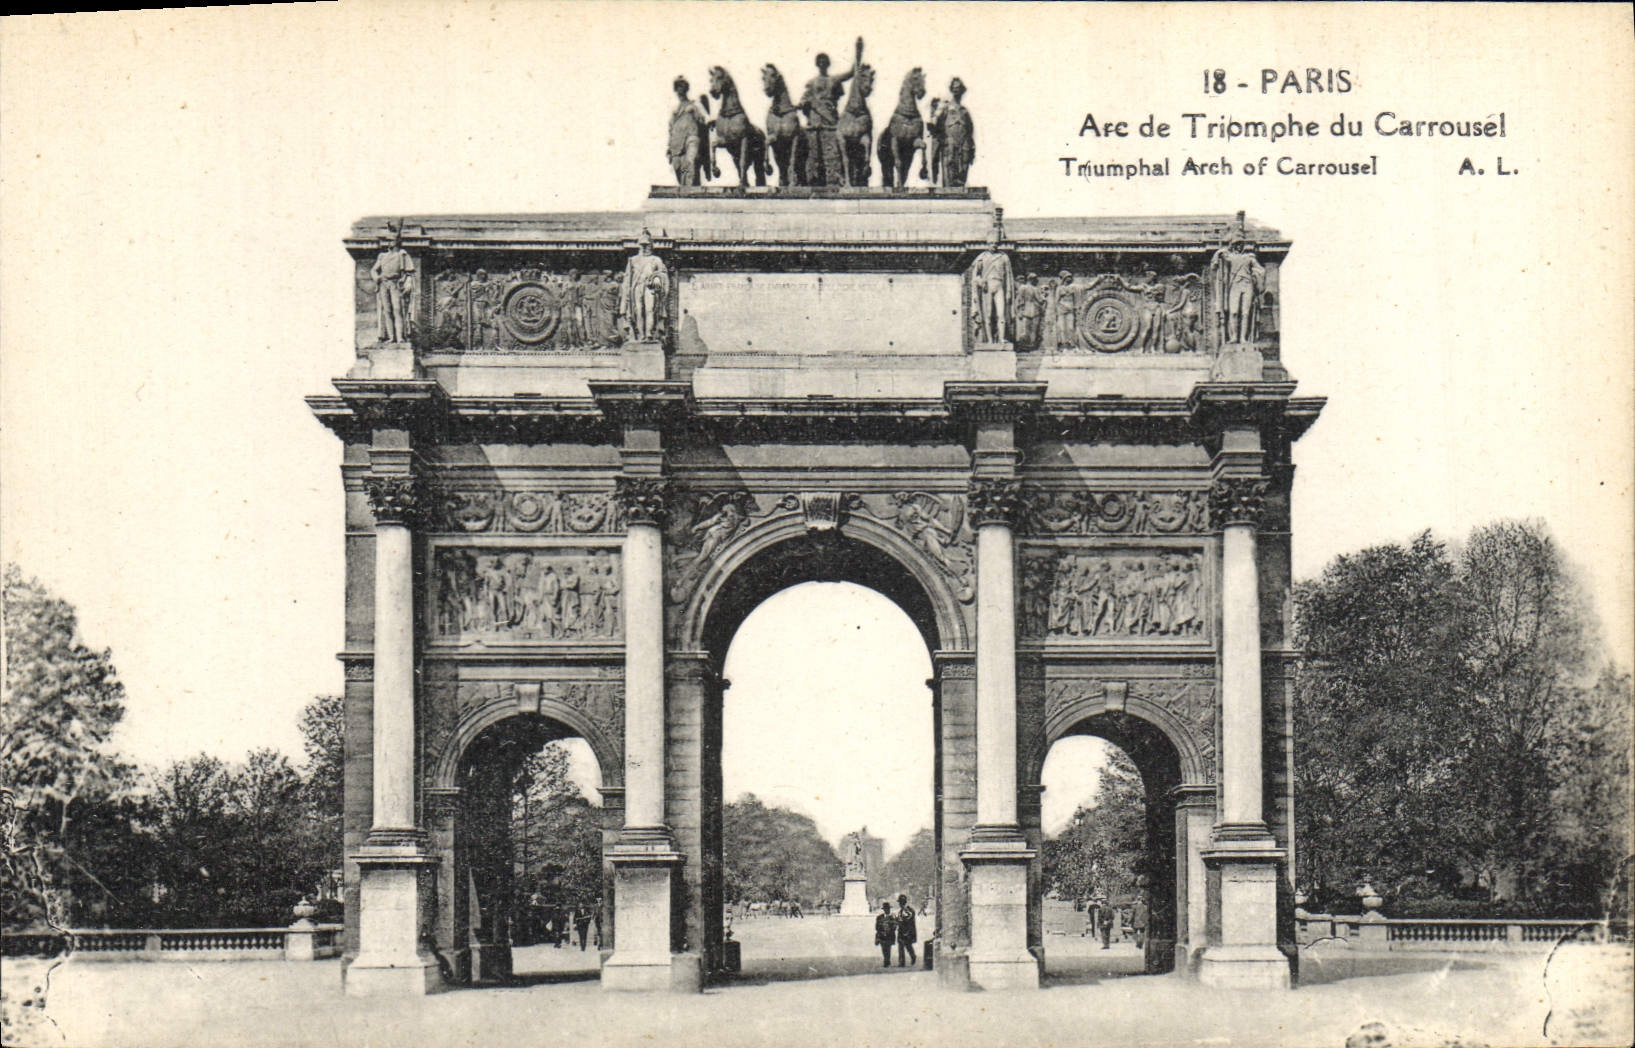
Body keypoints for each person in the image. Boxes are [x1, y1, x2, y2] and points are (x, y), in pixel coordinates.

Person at [895, 893, 918, 968]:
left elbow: (908, 920)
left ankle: (912, 956)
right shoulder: (902, 911)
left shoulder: (908, 910)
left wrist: (900, 921)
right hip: (902, 930)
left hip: (907, 931)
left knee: (907, 945)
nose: (900, 904)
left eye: (901, 902)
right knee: (901, 945)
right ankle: (902, 962)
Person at [874, 900, 895, 968]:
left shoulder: (892, 917)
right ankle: (886, 960)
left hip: (889, 935)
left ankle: (887, 961)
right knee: (883, 948)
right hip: (882, 935)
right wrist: (881, 931)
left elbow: (894, 927)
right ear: (884, 910)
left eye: (888, 909)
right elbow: (877, 927)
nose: (887, 910)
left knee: (888, 948)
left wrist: (890, 929)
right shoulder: (879, 917)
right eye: (886, 909)